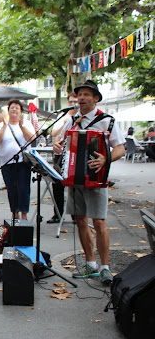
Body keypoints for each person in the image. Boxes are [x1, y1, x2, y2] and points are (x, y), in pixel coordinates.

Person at [53, 80, 125, 284]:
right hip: (75, 179)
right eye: (79, 95)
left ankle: (105, 267)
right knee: (81, 221)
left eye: (86, 95)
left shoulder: (107, 121)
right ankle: (91, 264)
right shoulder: (72, 121)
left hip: (96, 178)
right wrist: (58, 146)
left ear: (96, 99)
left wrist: (106, 158)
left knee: (99, 222)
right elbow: (63, 144)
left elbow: (120, 148)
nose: (81, 98)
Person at [0, 99, 34, 219]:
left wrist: (21, 127)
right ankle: (14, 213)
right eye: (12, 108)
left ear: (21, 112)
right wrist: (5, 126)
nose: (14, 110)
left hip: (22, 162)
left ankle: (24, 214)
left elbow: (31, 139)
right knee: (12, 189)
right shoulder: (1, 125)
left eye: (17, 108)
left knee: (23, 188)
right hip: (7, 162)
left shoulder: (26, 123)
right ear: (8, 111)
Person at [48, 93, 78, 224]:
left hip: (75, 157)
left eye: (75, 101)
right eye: (71, 101)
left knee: (76, 187)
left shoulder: (82, 119)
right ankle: (58, 214)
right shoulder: (63, 118)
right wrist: (64, 124)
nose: (73, 104)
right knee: (57, 185)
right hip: (61, 156)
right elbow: (54, 135)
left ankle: (76, 215)